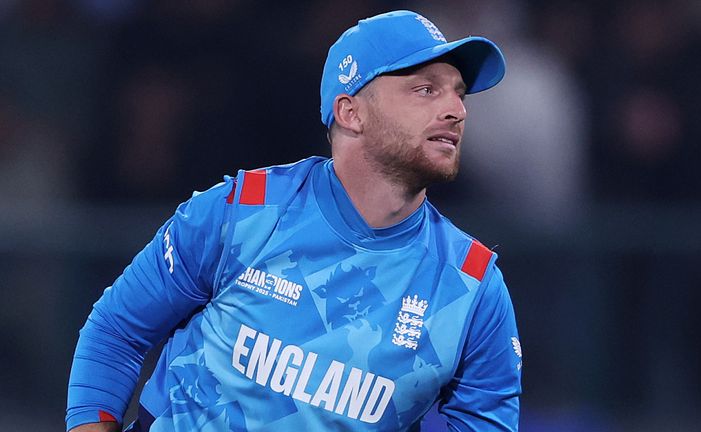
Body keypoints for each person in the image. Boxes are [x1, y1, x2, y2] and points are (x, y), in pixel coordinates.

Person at [67, 10, 522, 432]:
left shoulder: (471, 288)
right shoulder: (243, 214)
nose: (456, 111)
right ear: (351, 112)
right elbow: (116, 331)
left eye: (459, 94)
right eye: (426, 89)